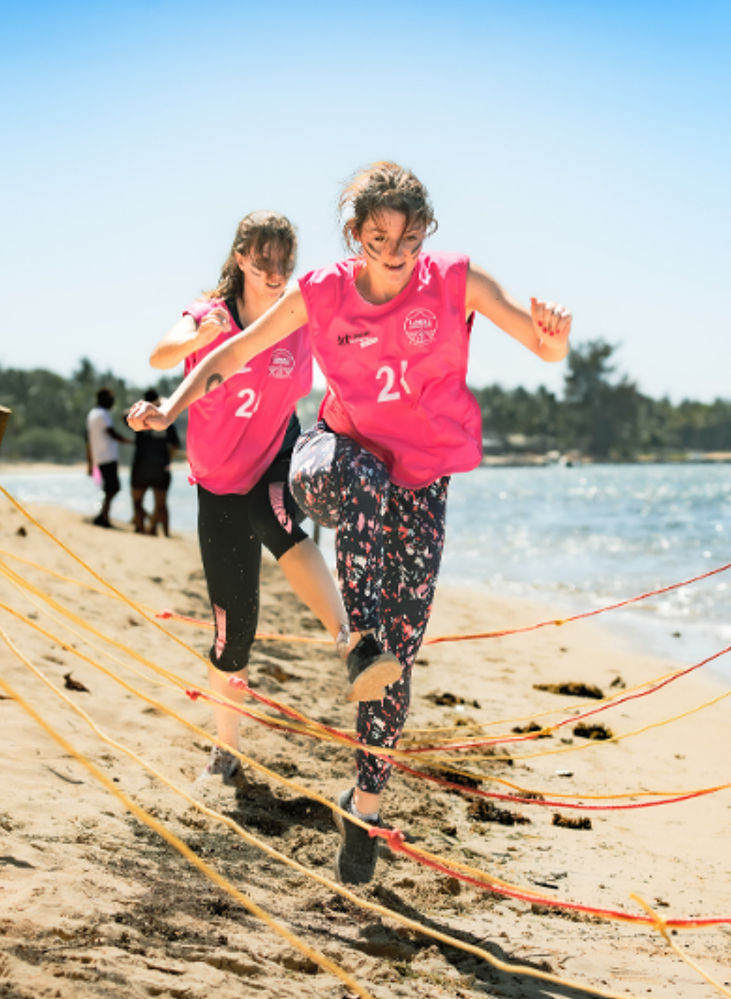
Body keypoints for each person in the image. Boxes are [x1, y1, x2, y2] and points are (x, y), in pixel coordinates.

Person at [131, 164, 571, 884]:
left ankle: (363, 806)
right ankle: (355, 639)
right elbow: (234, 352)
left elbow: (545, 347)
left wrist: (553, 336)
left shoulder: (457, 280)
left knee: (402, 652)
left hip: (421, 482)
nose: (395, 253)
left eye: (409, 238)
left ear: (426, 233)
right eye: (378, 239)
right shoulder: (323, 290)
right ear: (354, 235)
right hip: (331, 462)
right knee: (358, 482)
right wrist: (168, 409)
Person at [138, 211, 351, 785]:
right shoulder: (210, 315)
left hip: (279, 458)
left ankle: (348, 639)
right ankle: (225, 751)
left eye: (285, 260)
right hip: (217, 486)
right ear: (240, 259)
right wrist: (195, 339)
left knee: (274, 517)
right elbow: (161, 355)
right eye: (263, 260)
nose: (276, 272)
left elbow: (355, 342)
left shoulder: (299, 315)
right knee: (233, 632)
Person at [129, 388, 181, 536]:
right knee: (161, 504)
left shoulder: (137, 417)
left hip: (141, 465)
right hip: (160, 466)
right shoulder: (164, 419)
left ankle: (142, 530)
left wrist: (139, 408)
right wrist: (168, 459)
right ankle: (164, 533)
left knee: (137, 501)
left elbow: (124, 416)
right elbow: (175, 445)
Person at [84, 388, 129, 528]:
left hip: (100, 457)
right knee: (113, 488)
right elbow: (112, 433)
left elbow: (88, 439)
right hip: (107, 457)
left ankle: (103, 516)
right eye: (111, 398)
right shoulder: (102, 414)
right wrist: (130, 441)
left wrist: (90, 462)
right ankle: (103, 517)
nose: (112, 401)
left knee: (110, 488)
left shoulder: (92, 414)